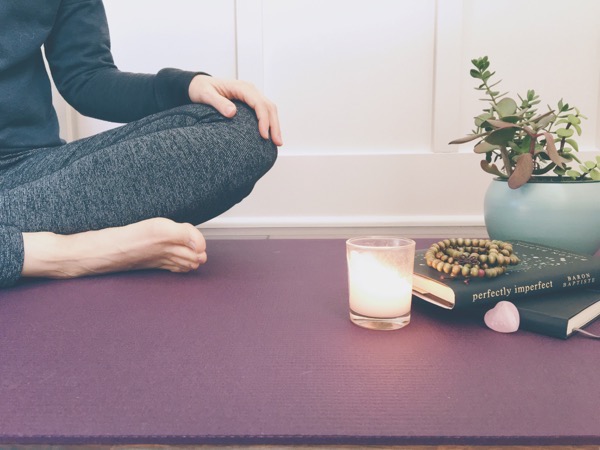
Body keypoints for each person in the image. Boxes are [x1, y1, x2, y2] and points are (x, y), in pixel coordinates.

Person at [0, 0, 282, 288]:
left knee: (246, 129)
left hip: (30, 172)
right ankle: (67, 253)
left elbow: (85, 76)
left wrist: (186, 86)